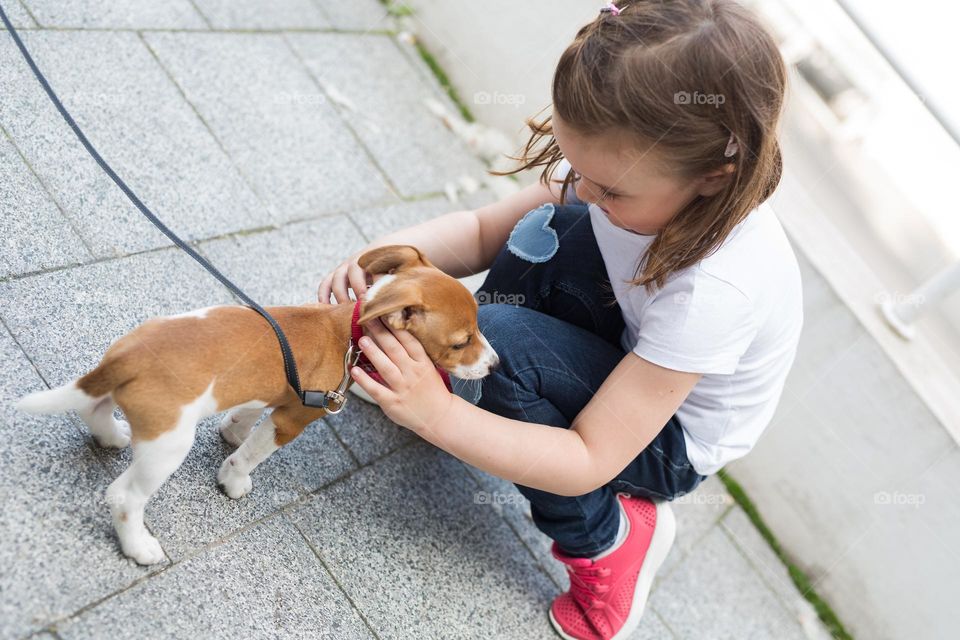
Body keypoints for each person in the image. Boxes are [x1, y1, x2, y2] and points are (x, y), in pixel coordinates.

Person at [318, 1, 801, 638]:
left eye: (612, 189)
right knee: (548, 226)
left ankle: (610, 539)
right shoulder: (628, 174)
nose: (588, 189)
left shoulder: (718, 290)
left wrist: (440, 419)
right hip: (631, 346)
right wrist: (384, 260)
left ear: (715, 177)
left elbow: (589, 455)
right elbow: (483, 228)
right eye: (579, 169)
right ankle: (461, 387)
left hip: (666, 442)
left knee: (506, 346)